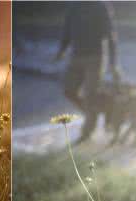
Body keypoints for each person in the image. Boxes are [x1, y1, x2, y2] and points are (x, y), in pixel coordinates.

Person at [54, 1, 120, 144]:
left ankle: (86, 132)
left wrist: (113, 64)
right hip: (75, 56)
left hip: (95, 57)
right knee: (69, 91)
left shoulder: (100, 6)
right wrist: (61, 51)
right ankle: (98, 110)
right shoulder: (73, 6)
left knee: (90, 95)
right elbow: (67, 31)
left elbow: (111, 36)